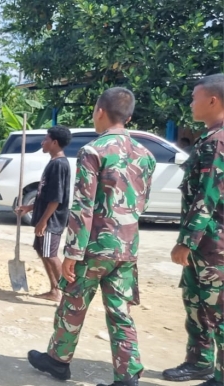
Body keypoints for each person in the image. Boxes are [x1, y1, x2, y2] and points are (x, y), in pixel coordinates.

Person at [26, 87, 156, 386]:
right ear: (129, 116)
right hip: (126, 248)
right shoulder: (146, 155)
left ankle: (58, 361)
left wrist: (72, 253)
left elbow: (83, 206)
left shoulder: (93, 150)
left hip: (93, 248)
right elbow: (141, 204)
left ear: (99, 111)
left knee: (72, 303)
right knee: (120, 313)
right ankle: (127, 376)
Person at [164, 73, 224, 386]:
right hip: (205, 242)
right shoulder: (210, 137)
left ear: (213, 100)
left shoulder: (217, 142)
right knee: (196, 303)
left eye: (194, 97)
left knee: (217, 308)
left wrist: (186, 241)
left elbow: (207, 196)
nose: (191, 103)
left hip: (213, 243)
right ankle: (199, 362)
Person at [16, 125, 72, 302]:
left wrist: (43, 221)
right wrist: (30, 208)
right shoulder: (53, 162)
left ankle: (69, 294)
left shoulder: (59, 165)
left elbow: (56, 199)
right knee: (42, 251)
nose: (43, 142)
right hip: (45, 218)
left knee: (50, 254)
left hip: (51, 221)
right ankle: (55, 290)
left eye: (46, 139)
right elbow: (45, 196)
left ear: (54, 142)